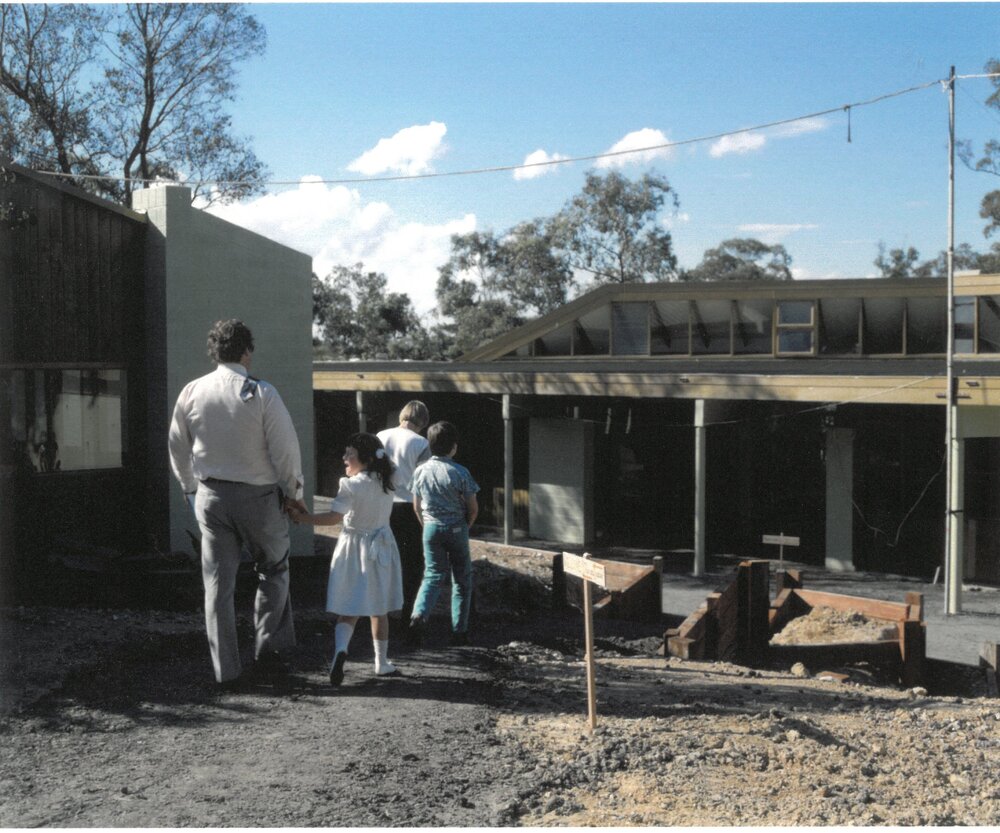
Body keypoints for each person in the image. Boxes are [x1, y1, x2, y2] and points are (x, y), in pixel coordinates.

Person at [168, 319, 304, 690]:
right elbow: (285, 450)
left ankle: (225, 670)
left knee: (217, 584)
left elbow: (177, 445)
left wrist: (190, 488)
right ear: (247, 350)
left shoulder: (192, 391)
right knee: (273, 569)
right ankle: (268, 652)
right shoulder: (261, 392)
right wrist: (294, 493)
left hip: (211, 495)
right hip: (258, 497)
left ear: (214, 351)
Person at [289, 433, 403, 686]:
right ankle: (381, 662)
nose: (344, 458)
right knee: (379, 608)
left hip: (353, 548)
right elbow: (391, 465)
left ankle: (341, 650)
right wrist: (378, 456)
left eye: (349, 453)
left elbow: (332, 518)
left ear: (364, 457)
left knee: (350, 607)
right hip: (382, 547)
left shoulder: (351, 485)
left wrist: (301, 518)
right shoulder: (389, 479)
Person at [407, 421, 479, 647]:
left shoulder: (420, 471)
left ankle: (418, 615)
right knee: (461, 579)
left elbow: (416, 506)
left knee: (432, 575)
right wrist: (466, 526)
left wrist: (426, 524)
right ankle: (459, 630)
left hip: (430, 528)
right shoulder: (460, 472)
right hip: (457, 527)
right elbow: (473, 507)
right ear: (454, 447)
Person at [376, 401, 430, 621]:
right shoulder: (421, 442)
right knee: (412, 562)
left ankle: (380, 614)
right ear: (423, 421)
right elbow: (423, 479)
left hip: (382, 503)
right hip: (408, 505)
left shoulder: (381, 436)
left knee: (382, 559)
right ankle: (409, 612)